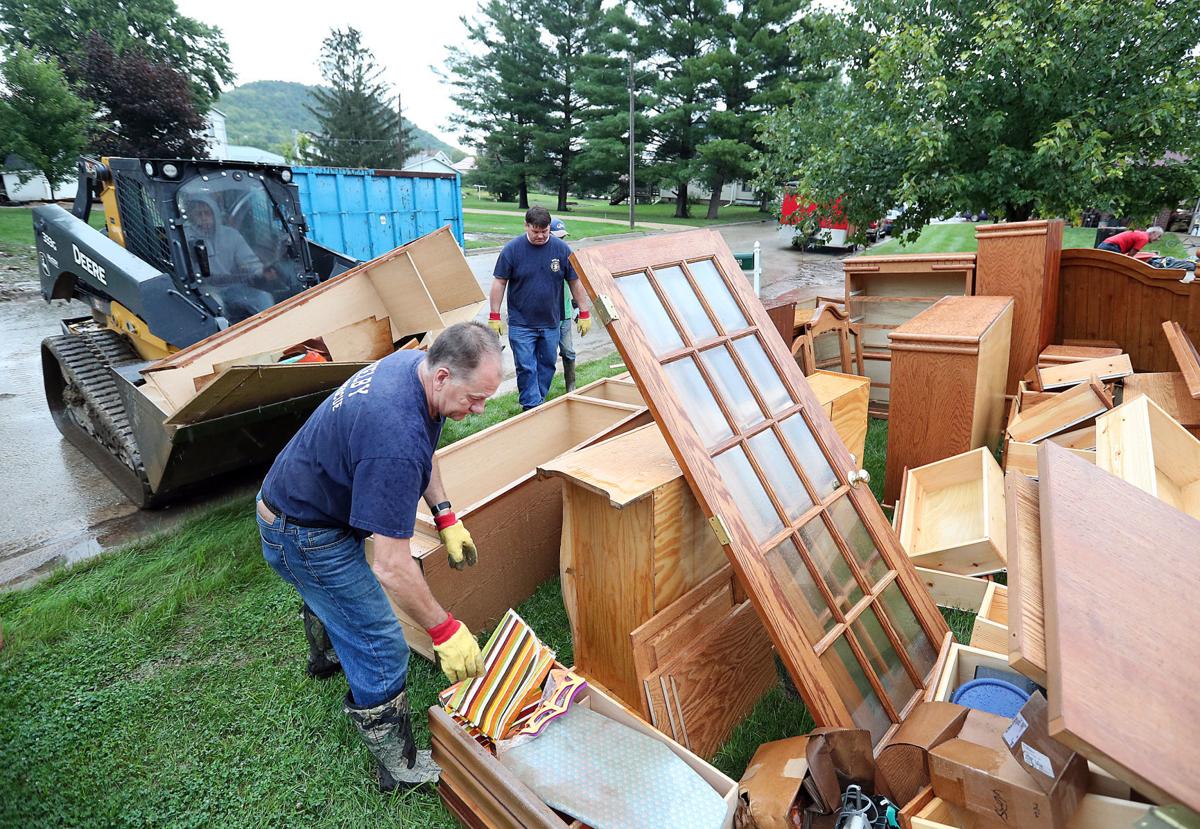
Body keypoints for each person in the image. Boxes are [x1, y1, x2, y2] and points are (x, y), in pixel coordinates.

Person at [255, 321, 502, 792]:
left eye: (487, 397)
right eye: (475, 398)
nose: (480, 408)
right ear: (444, 376)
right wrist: (444, 631)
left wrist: (444, 515)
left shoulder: (413, 366)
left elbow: (426, 444)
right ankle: (398, 765)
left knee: (336, 597)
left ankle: (324, 657)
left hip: (303, 502)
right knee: (382, 641)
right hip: (301, 534)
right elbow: (390, 564)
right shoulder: (394, 439)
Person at [488, 206, 592, 409]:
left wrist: (584, 311)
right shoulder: (512, 250)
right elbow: (499, 282)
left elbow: (575, 281)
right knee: (526, 367)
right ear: (526, 226)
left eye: (545, 231)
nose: (541, 236)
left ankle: (537, 402)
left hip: (551, 321)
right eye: (536, 231)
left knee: (547, 366)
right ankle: (532, 407)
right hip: (521, 323)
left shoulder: (561, 250)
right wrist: (494, 315)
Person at [182, 193, 272, 322]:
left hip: (233, 286)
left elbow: (250, 262)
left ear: (215, 214)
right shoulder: (184, 237)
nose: (204, 218)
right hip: (204, 289)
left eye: (207, 213)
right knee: (215, 305)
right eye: (199, 214)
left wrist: (260, 272)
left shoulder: (231, 235)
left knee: (263, 297)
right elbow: (185, 272)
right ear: (191, 217)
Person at [549, 217, 578, 391]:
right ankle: (540, 393)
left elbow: (574, 285)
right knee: (547, 357)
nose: (561, 241)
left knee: (568, 352)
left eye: (563, 237)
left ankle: (571, 388)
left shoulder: (566, 255)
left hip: (565, 314)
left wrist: (577, 309)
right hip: (548, 316)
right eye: (557, 237)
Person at [1096, 226, 1164, 256]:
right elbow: (1131, 255)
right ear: (1153, 232)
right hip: (1112, 247)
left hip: (1104, 244)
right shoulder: (1144, 238)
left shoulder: (1140, 234)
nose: (1158, 239)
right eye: (1159, 236)